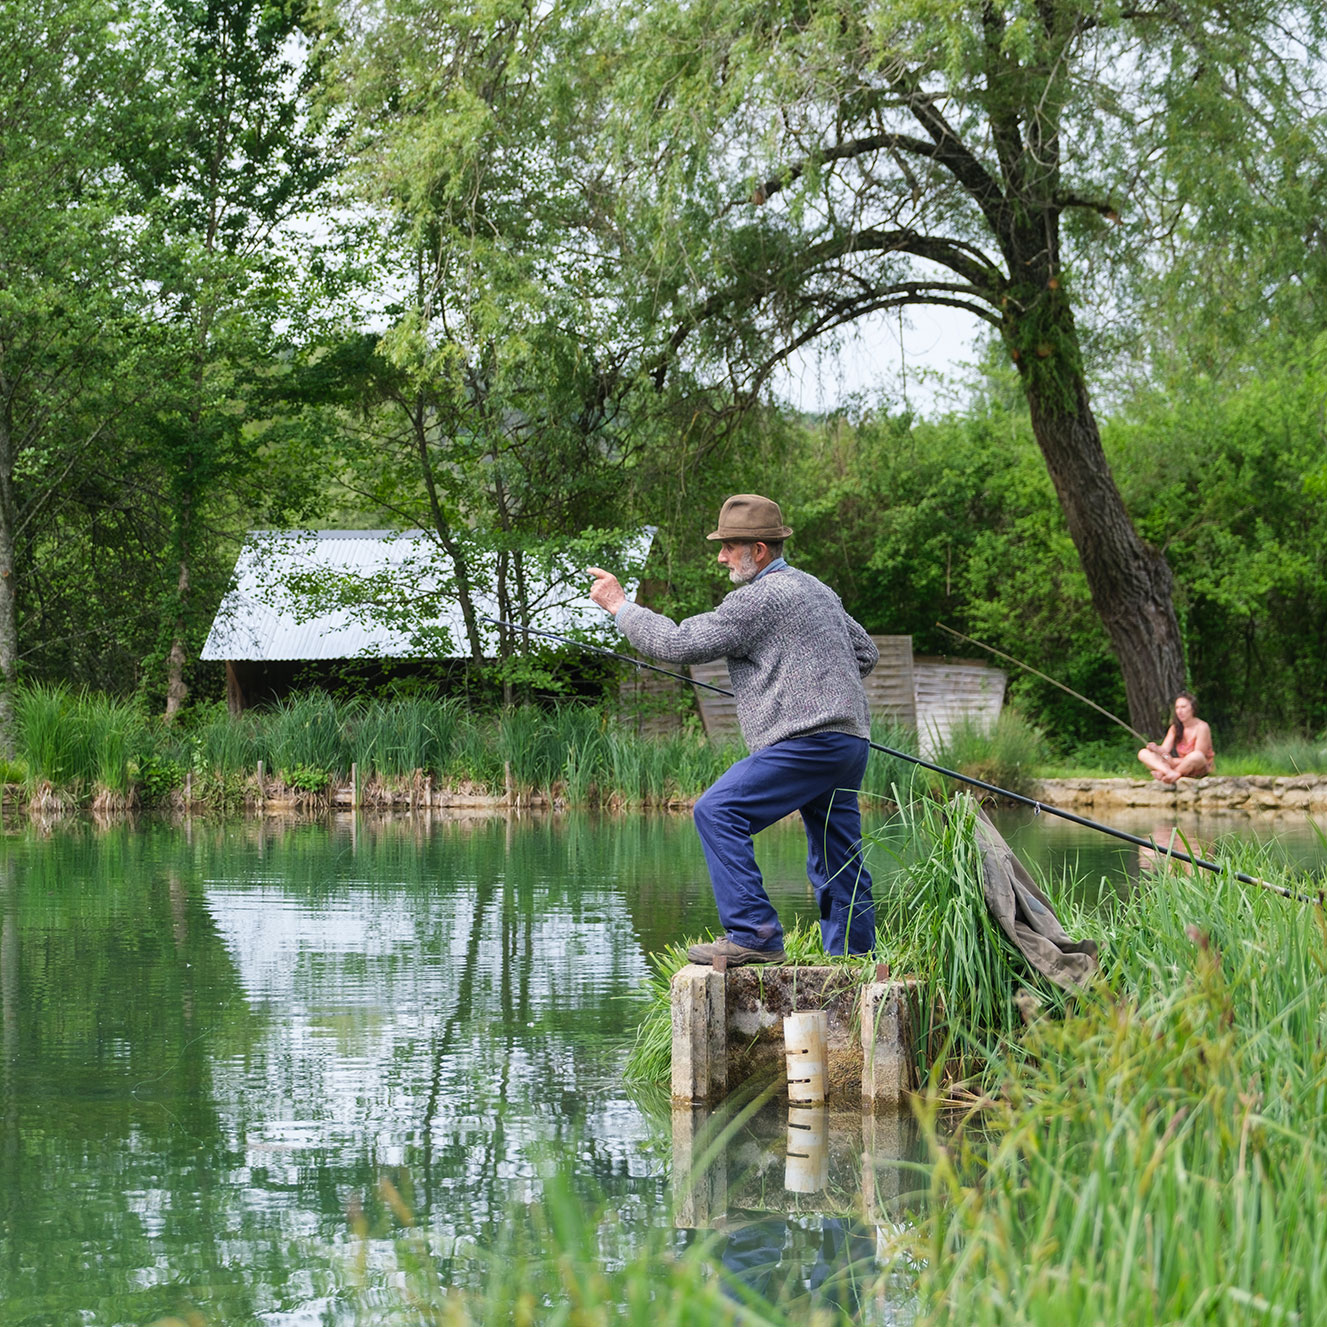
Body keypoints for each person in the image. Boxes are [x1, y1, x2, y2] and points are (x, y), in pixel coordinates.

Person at [587, 493, 878, 966]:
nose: (720, 556)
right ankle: (856, 959)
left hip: (807, 743)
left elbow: (677, 642)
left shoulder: (758, 599)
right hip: (849, 742)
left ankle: (755, 933)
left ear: (758, 551)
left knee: (717, 811)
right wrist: (809, 683)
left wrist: (620, 606)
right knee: (836, 853)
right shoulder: (817, 590)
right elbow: (864, 654)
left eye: (728, 546)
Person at [1137, 692, 1215, 783]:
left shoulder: (1202, 727)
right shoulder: (1175, 727)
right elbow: (1164, 750)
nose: (1179, 711)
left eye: (1183, 707)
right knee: (1143, 753)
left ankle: (1168, 773)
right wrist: (1156, 749)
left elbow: (1200, 755)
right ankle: (1169, 772)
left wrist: (1173, 762)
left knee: (1196, 756)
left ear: (1193, 708)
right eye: (1177, 708)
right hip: (1180, 765)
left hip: (1197, 766)